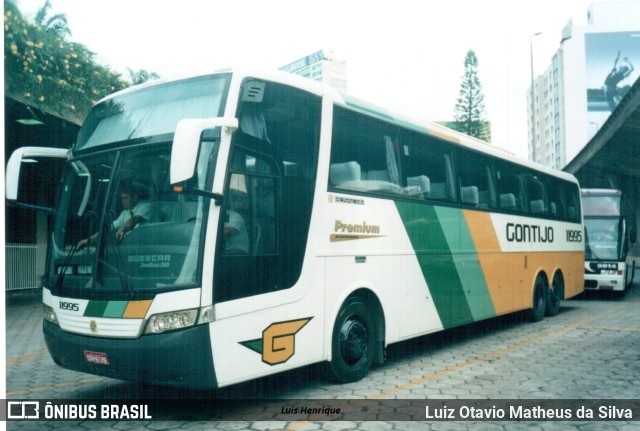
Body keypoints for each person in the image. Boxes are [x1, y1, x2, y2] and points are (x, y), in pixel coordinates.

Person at [77, 183, 153, 247]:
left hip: (145, 245)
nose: (123, 201)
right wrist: (88, 241)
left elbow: (134, 219)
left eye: (126, 198)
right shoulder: (124, 213)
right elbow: (109, 228)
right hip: (129, 246)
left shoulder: (146, 206)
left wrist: (122, 229)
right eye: (122, 198)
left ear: (135, 198)